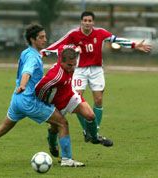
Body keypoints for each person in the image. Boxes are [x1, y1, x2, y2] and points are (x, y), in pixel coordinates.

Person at [0, 24, 85, 167]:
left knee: (3, 127)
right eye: (41, 37)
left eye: (45, 36)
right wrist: (23, 85)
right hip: (29, 100)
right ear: (33, 39)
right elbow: (26, 72)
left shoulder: (26, 52)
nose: (45, 40)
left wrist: (21, 87)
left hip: (17, 100)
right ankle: (67, 160)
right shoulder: (33, 57)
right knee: (62, 123)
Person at [42, 11, 152, 146]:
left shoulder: (100, 33)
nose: (87, 23)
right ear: (81, 22)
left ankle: (95, 132)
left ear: (93, 22)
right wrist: (44, 52)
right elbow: (59, 44)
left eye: (90, 21)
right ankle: (86, 130)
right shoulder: (73, 34)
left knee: (98, 100)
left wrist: (135, 45)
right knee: (76, 99)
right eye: (85, 20)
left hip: (96, 70)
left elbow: (116, 39)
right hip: (80, 70)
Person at [36, 45, 111, 158]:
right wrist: (45, 105)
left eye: (75, 65)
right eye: (69, 65)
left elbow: (63, 47)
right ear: (61, 62)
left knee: (90, 115)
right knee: (55, 128)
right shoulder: (55, 76)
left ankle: (95, 138)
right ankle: (52, 144)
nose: (72, 68)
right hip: (56, 104)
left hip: (70, 96)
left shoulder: (68, 58)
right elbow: (38, 88)